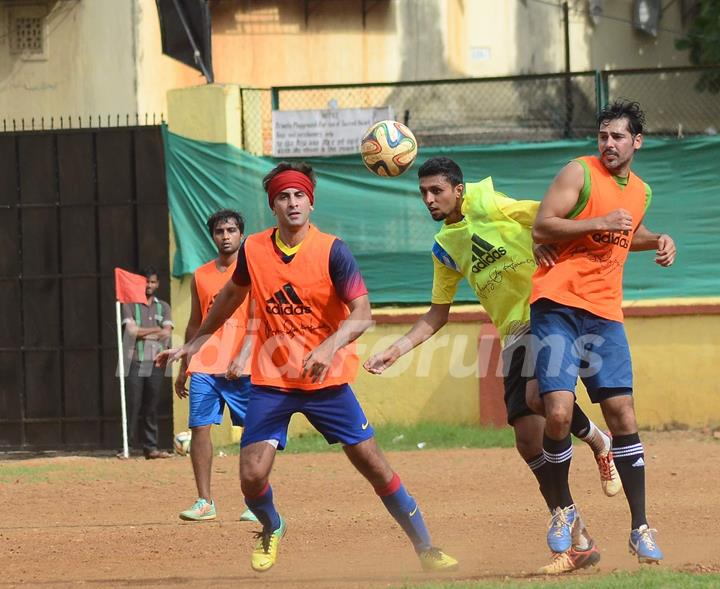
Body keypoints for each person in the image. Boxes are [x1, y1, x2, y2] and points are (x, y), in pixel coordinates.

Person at [159, 162, 458, 574]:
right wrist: (194, 343)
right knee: (250, 476)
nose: (292, 202)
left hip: (327, 382)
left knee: (376, 467)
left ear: (311, 202)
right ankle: (272, 526)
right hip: (273, 382)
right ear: (273, 206)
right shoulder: (254, 250)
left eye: (299, 195)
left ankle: (426, 548)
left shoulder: (333, 250)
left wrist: (327, 346)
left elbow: (362, 314)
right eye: (283, 196)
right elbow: (230, 296)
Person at [364, 156, 618, 574]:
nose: (429, 199)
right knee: (527, 442)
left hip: (546, 313)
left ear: (458, 190)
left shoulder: (490, 202)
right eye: (423, 193)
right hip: (513, 332)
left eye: (437, 191)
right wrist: (396, 349)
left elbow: (548, 213)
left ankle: (596, 443)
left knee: (541, 397)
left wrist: (540, 236)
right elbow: (437, 313)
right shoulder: (444, 248)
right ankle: (580, 540)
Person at [530, 100, 676, 564]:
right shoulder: (579, 172)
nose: (608, 144)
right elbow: (542, 225)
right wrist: (597, 221)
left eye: (617, 136)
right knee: (556, 413)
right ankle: (563, 513)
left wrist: (659, 240)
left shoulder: (642, 191)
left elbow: (627, 231)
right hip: (557, 305)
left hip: (605, 315)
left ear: (637, 142)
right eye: (602, 135)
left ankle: (641, 528)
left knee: (623, 414)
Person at [170, 210, 257, 523]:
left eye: (232, 230)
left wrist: (244, 355)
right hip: (206, 364)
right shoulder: (201, 275)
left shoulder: (254, 272)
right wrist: (184, 367)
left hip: (243, 366)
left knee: (252, 431)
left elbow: (258, 319)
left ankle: (255, 502)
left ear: (241, 234)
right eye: (220, 231)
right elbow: (195, 323)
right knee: (199, 428)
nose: (226, 236)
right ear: (213, 236)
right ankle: (204, 501)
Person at [121, 266, 173, 459]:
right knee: (133, 404)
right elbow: (131, 332)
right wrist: (156, 332)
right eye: (145, 281)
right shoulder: (129, 304)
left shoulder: (164, 307)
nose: (149, 285)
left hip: (155, 363)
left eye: (152, 281)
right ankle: (126, 447)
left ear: (157, 284)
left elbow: (167, 333)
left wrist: (142, 332)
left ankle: (150, 448)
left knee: (151, 405)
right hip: (135, 361)